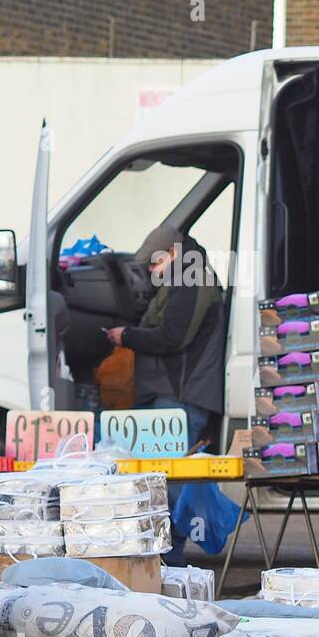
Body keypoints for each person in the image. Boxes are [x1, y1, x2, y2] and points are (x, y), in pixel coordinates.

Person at [107, 224, 226, 565]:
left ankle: (169, 562)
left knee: (168, 486)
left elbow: (171, 337)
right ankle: (161, 560)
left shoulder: (191, 279)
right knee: (161, 483)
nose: (150, 273)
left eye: (153, 265)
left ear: (171, 254)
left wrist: (126, 336)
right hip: (174, 396)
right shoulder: (185, 276)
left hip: (180, 396)